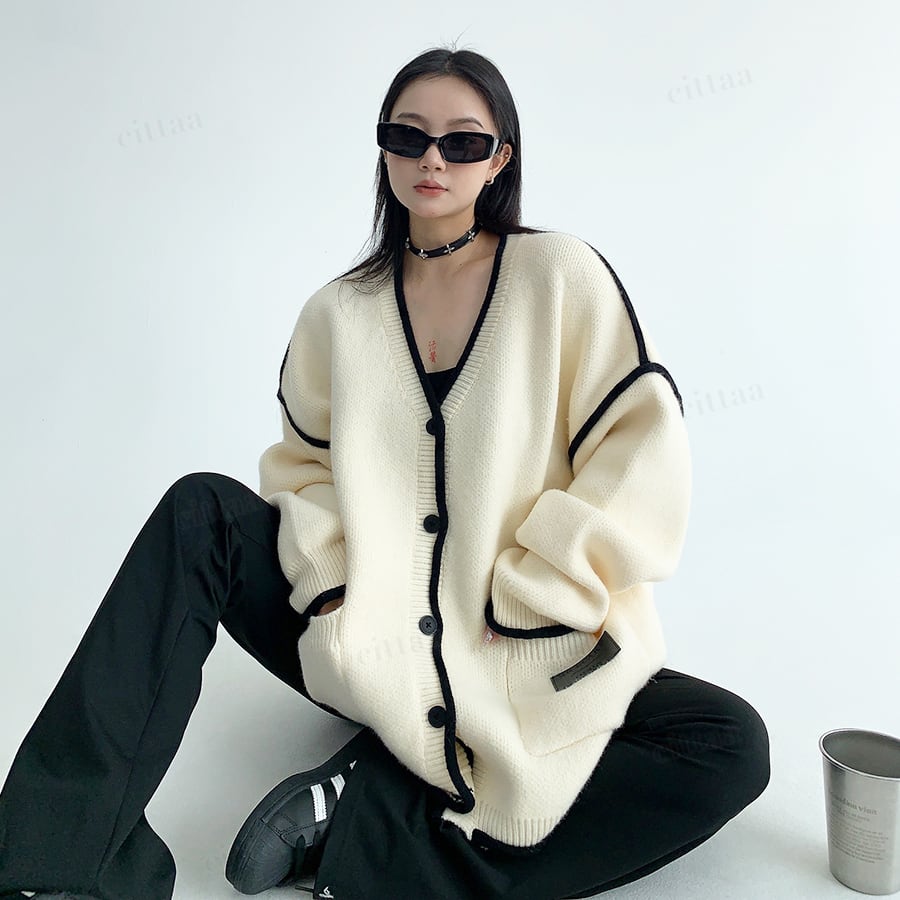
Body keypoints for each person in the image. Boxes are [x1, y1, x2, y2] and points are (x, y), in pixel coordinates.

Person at [0, 47, 769, 900]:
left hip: (525, 647)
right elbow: (302, 470)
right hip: (368, 640)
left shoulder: (559, 278)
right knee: (200, 513)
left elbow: (639, 452)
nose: (433, 159)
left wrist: (537, 592)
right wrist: (331, 588)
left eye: (462, 142)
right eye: (409, 137)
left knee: (729, 744)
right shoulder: (337, 314)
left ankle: (361, 820)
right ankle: (56, 865)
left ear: (500, 159)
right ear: (385, 148)